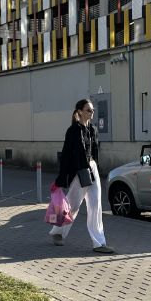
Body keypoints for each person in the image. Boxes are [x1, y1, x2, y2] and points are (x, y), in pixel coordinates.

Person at [50, 98, 115, 254]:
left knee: (95, 206)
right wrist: (61, 179)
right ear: (80, 111)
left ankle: (99, 243)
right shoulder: (73, 131)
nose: (92, 112)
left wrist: (95, 167)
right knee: (72, 206)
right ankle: (57, 232)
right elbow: (66, 155)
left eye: (93, 110)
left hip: (92, 169)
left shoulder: (93, 129)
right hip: (79, 172)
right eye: (88, 110)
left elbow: (95, 152)